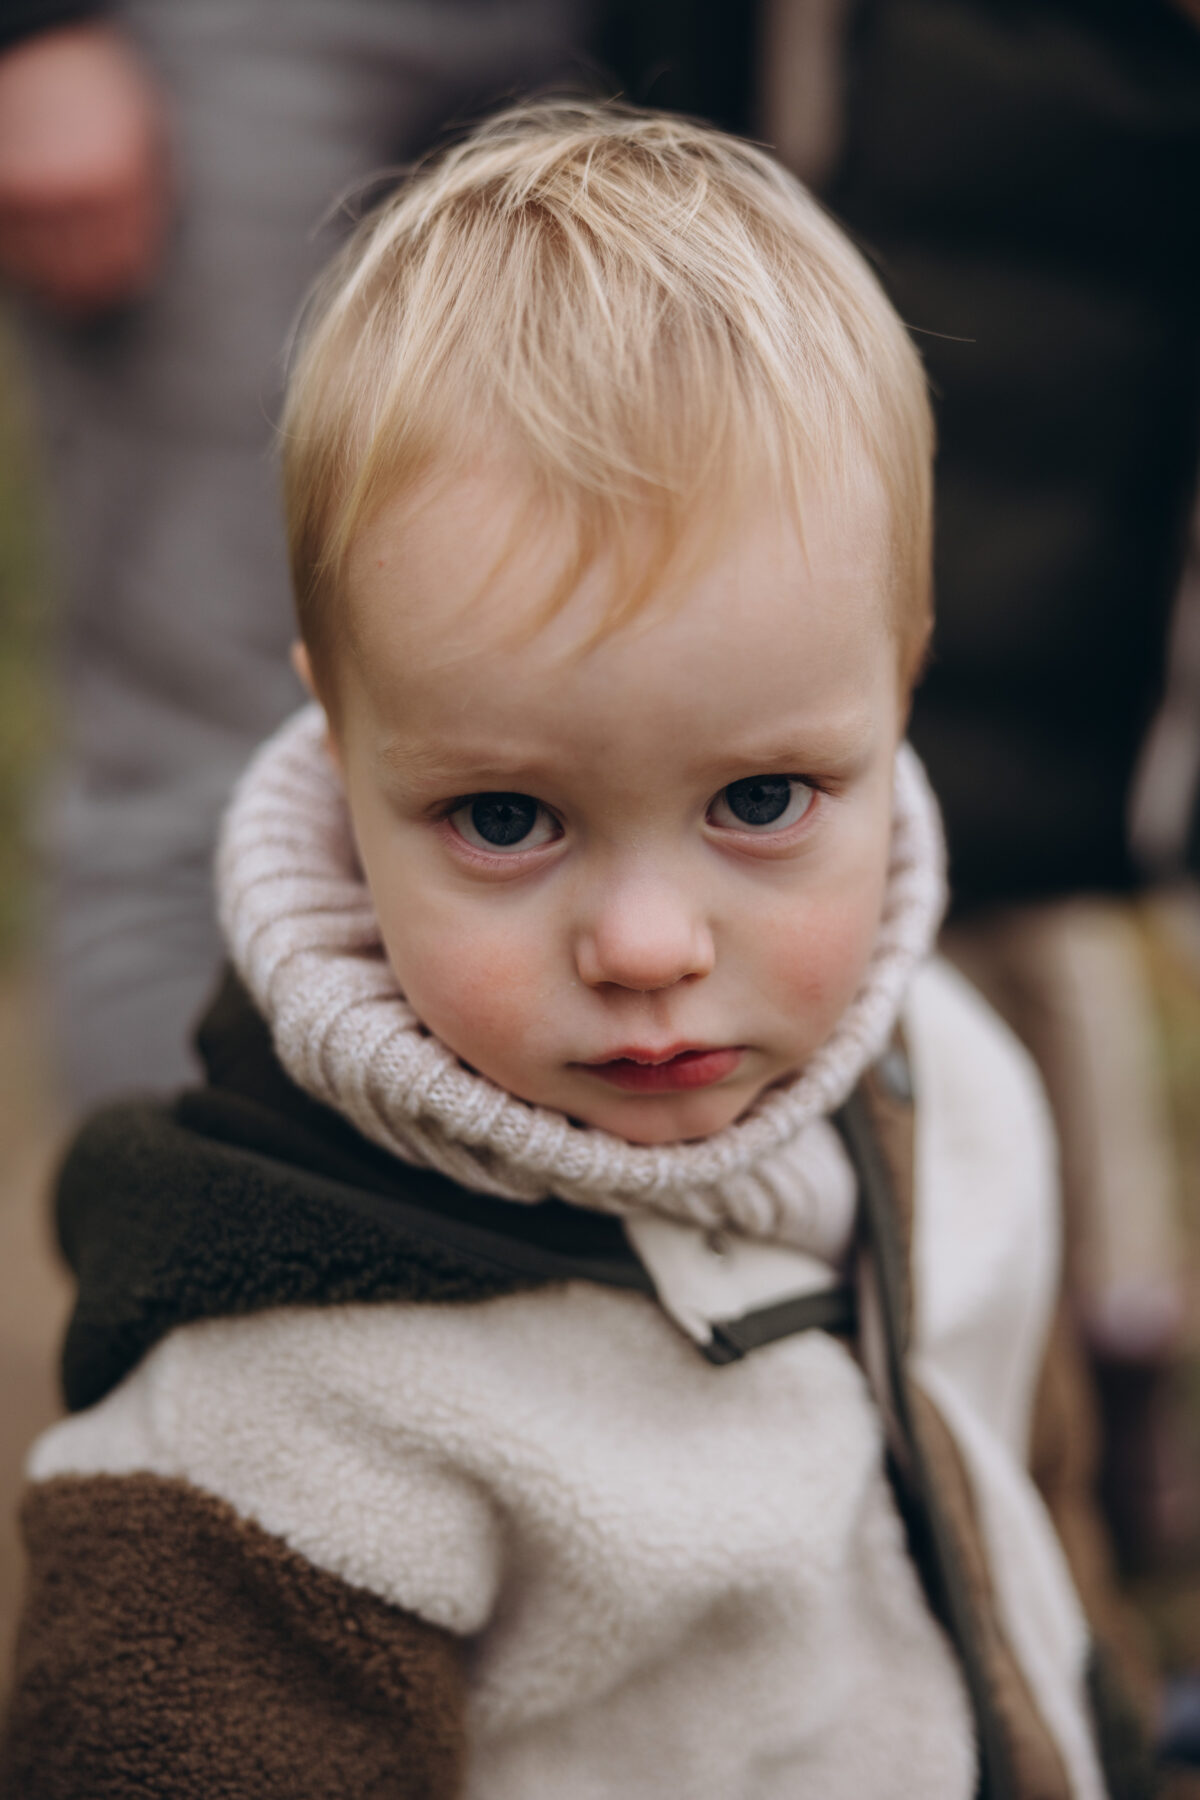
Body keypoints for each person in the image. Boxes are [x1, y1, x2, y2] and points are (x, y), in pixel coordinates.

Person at [1, 102, 1152, 1797]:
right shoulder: (286, 1420)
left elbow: (1020, 1535)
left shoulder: (950, 1086)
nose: (645, 945)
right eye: (506, 821)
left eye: (760, 796)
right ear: (342, 733)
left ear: (897, 681)